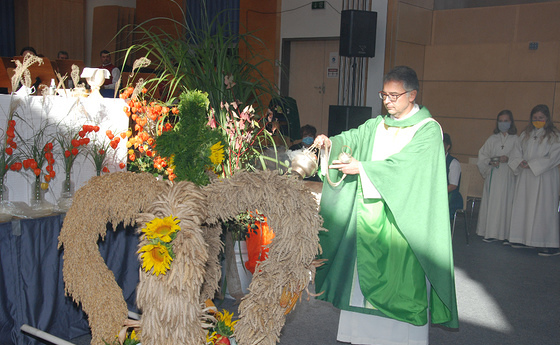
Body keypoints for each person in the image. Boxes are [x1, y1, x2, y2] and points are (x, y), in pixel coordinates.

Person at [313, 65, 458, 345]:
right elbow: (353, 137)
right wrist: (330, 143)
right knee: (361, 285)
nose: (388, 101)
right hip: (369, 216)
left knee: (401, 285)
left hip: (403, 224)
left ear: (412, 95)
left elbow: (406, 168)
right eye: (384, 95)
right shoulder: (377, 125)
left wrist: (363, 169)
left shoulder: (428, 131)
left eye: (394, 95)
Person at [508, 104, 560, 256]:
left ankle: (548, 243)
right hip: (526, 176)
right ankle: (524, 238)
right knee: (525, 207)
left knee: (543, 209)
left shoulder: (554, 136)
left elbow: (554, 157)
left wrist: (533, 164)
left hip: (544, 178)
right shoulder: (526, 135)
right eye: (535, 118)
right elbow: (516, 151)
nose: (537, 120)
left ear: (547, 119)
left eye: (541, 118)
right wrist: (520, 162)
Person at [476, 110, 518, 242]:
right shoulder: (492, 139)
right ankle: (491, 232)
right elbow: (482, 156)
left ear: (511, 122)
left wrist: (509, 159)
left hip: (508, 176)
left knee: (507, 203)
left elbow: (519, 158)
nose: (503, 123)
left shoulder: (516, 139)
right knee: (493, 203)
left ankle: (506, 235)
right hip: (494, 174)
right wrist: (492, 160)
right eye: (500, 121)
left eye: (506, 121)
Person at [444, 133, 462, 220]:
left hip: (450, 196)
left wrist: (437, 194)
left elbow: (453, 186)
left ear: (447, 147)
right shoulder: (430, 161)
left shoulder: (453, 163)